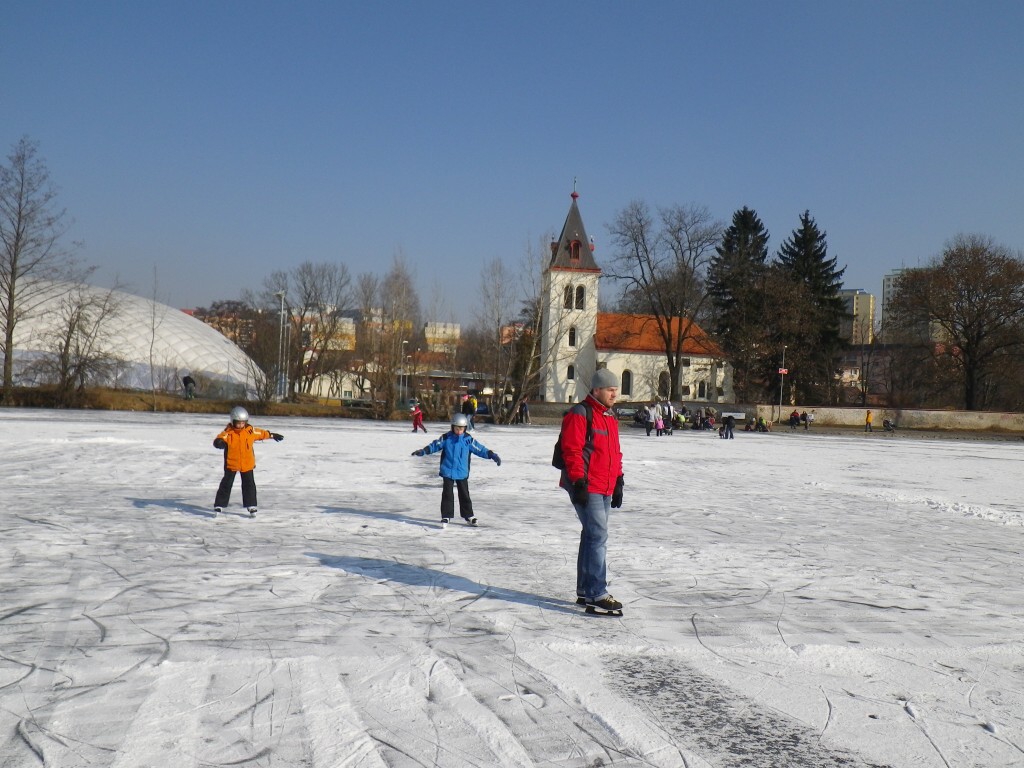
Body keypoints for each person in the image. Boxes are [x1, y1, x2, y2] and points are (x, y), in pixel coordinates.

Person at [558, 368, 624, 616]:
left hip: (605, 485)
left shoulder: (609, 417)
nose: (614, 393)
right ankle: (597, 592)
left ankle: (585, 589)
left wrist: (619, 481)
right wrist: (578, 483)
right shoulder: (580, 414)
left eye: (615, 389)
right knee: (598, 536)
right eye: (610, 389)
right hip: (587, 486)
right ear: (596, 390)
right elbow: (572, 451)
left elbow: (614, 452)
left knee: (591, 535)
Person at [412, 413, 500, 526]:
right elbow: (435, 445)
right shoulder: (446, 438)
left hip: (462, 471)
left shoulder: (468, 440)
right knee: (447, 494)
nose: (459, 431)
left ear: (465, 428)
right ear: (452, 427)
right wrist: (423, 451)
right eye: (457, 428)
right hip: (448, 470)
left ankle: (468, 515)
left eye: (462, 429)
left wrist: (492, 455)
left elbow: (480, 449)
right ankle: (446, 516)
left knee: (464, 494)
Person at [212, 406, 283, 517]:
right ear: (232, 422)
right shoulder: (228, 432)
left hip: (247, 463)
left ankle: (251, 505)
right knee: (226, 484)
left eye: (243, 423)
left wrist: (272, 435)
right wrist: (219, 442)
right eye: (238, 423)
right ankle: (219, 504)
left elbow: (261, 433)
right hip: (232, 463)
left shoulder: (250, 431)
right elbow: (220, 438)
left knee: (249, 484)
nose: (241, 425)